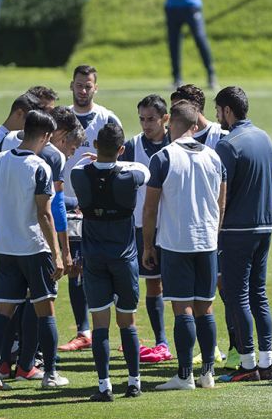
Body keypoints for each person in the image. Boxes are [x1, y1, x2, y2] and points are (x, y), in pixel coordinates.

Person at [0, 110, 68, 391]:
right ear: (47, 136)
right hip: (33, 248)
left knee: (2, 311)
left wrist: (4, 220)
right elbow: (45, 214)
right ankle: (50, 374)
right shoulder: (40, 167)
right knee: (45, 311)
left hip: (4, 248)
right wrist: (58, 253)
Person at [143, 100, 226, 390]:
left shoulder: (164, 157)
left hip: (177, 243)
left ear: (169, 124)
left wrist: (148, 245)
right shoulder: (214, 157)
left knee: (183, 310)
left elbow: (150, 209)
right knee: (206, 309)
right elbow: (221, 202)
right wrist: (214, 235)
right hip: (207, 242)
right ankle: (208, 374)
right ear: (194, 126)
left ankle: (183, 375)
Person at [71, 122, 151, 402]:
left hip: (94, 259)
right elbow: (144, 170)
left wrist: (101, 162)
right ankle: (133, 382)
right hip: (124, 259)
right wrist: (117, 160)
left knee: (100, 325)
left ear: (94, 146)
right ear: (121, 149)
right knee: (127, 323)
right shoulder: (131, 176)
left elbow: (83, 170)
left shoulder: (78, 174)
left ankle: (104, 386)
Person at [212, 87, 272, 382]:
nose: (217, 117)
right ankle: (266, 363)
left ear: (227, 110)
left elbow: (220, 194)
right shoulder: (265, 138)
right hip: (264, 228)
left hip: (237, 230)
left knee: (238, 297)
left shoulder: (228, 145)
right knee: (259, 295)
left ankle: (248, 366)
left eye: (218, 111)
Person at [58, 65, 124, 353]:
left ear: (96, 87)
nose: (83, 90)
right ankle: (83, 330)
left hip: (98, 207)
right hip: (67, 204)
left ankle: (119, 330)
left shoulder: (107, 117)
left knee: (106, 265)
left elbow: (121, 156)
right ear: (71, 85)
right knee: (74, 266)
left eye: (88, 86)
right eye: (79, 85)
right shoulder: (61, 117)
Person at [0, 92, 41, 366]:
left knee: (9, 295)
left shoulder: (10, 145)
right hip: (4, 233)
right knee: (0, 293)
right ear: (21, 115)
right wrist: (2, 218)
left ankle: (9, 352)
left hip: (8, 233)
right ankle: (0, 353)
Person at [171, 83, 233, 368]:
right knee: (201, 294)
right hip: (199, 228)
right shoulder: (175, 141)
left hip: (217, 228)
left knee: (223, 289)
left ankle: (236, 346)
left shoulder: (220, 136)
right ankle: (214, 350)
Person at [117, 95, 174, 363]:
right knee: (153, 285)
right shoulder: (132, 147)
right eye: (141, 119)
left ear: (166, 119)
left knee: (181, 287)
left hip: (174, 226)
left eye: (151, 119)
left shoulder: (177, 143)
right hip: (144, 228)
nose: (145, 124)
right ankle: (161, 339)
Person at [165, 0, 217, 89]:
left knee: (200, 38)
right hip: (172, 5)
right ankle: (177, 78)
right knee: (173, 43)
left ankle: (211, 75)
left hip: (192, 5)